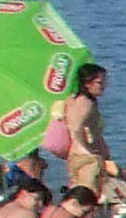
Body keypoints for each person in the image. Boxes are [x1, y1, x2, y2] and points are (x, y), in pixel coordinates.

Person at [48, 64, 116, 203]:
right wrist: (89, 152)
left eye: (104, 81)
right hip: (87, 159)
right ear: (87, 83)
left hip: (76, 157)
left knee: (78, 198)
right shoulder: (86, 103)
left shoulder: (71, 100)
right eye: (99, 82)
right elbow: (76, 129)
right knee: (88, 200)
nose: (103, 86)